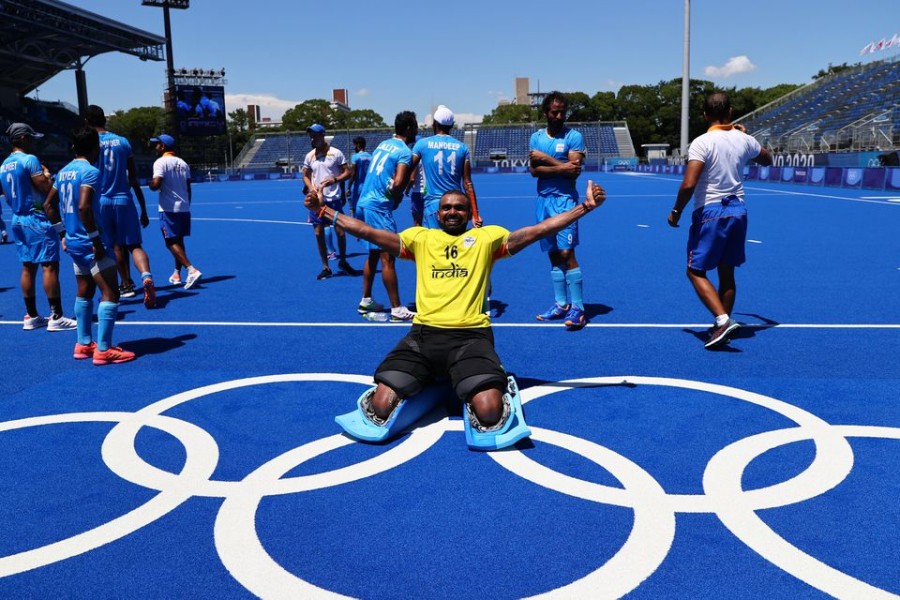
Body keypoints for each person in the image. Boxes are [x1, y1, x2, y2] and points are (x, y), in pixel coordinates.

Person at [305, 180, 607, 427]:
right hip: (422, 336)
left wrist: (584, 207)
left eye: (459, 208)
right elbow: (369, 232)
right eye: (446, 208)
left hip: (470, 337)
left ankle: (491, 380)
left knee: (489, 412)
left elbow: (538, 230)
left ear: (468, 213)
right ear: (437, 214)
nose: (452, 212)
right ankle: (439, 376)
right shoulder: (419, 239)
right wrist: (324, 210)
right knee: (380, 406)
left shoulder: (488, 239)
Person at [669, 92, 773, 349]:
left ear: (705, 115)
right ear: (730, 112)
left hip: (711, 212)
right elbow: (767, 158)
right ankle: (722, 327)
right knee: (727, 272)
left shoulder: (702, 142)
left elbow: (689, 184)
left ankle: (722, 319)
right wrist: (744, 135)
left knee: (694, 271)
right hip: (738, 210)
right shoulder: (744, 138)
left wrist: (676, 211)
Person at [43, 126, 136, 365]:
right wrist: (96, 239)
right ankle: (104, 349)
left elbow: (48, 205)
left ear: (74, 146)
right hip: (90, 242)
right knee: (111, 293)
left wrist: (62, 233)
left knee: (84, 290)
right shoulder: (90, 172)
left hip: (73, 241)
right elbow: (84, 206)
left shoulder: (63, 172)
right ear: (96, 147)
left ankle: (83, 344)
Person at [0, 123, 77, 331]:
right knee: (49, 265)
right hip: (36, 218)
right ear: (23, 138)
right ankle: (56, 316)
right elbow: (46, 188)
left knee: (27, 266)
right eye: (32, 137)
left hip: (17, 218)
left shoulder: (4, 164)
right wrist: (48, 175)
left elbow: (7, 197)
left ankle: (32, 315)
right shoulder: (29, 160)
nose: (35, 141)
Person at [84, 105, 156, 308]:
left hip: (101, 201)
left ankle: (125, 284)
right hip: (124, 198)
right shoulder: (123, 142)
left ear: (87, 122)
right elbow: (133, 178)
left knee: (114, 246)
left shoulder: (90, 144)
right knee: (134, 245)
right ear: (105, 120)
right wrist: (142, 207)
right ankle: (146, 276)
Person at [529, 91, 587, 330]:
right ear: (546, 112)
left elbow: (575, 170)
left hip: (565, 202)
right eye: (555, 112)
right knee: (553, 253)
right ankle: (561, 304)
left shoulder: (574, 136)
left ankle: (579, 308)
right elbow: (534, 172)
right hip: (544, 201)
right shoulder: (536, 137)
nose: (559, 115)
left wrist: (546, 159)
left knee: (567, 254)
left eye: (563, 111)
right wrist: (560, 166)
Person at [355, 111, 418, 321]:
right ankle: (397, 308)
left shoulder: (383, 144)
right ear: (409, 129)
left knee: (373, 254)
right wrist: (397, 194)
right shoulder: (404, 152)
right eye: (415, 126)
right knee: (388, 256)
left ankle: (366, 299)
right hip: (378, 207)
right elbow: (399, 182)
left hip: (363, 203)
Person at [410, 105, 482, 229]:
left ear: (435, 123)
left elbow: (408, 167)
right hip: (457, 205)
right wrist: (475, 214)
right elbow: (467, 182)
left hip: (434, 206)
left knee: (433, 246)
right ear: (452, 125)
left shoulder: (422, 144)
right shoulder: (462, 147)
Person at [302, 123, 357, 279]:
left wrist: (334, 180)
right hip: (317, 202)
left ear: (322, 135)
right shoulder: (309, 156)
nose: (312, 138)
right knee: (318, 233)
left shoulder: (336, 153)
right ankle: (325, 267)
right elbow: (305, 175)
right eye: (310, 135)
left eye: (315, 135)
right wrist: (311, 187)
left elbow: (348, 172)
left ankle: (343, 261)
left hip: (334, 200)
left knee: (340, 232)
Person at [148, 134, 202, 289]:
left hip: (168, 208)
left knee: (170, 241)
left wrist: (150, 184)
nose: (155, 147)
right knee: (179, 241)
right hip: (184, 207)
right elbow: (188, 187)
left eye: (157, 144)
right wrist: (187, 205)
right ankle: (177, 273)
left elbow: (157, 184)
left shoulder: (160, 162)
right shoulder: (183, 163)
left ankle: (191, 270)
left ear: (163, 146)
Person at [347, 136, 372, 219]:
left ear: (358, 145)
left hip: (358, 187)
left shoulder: (356, 157)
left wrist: (348, 187)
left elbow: (353, 174)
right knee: (367, 208)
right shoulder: (371, 157)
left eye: (354, 145)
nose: (354, 147)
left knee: (354, 209)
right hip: (368, 187)